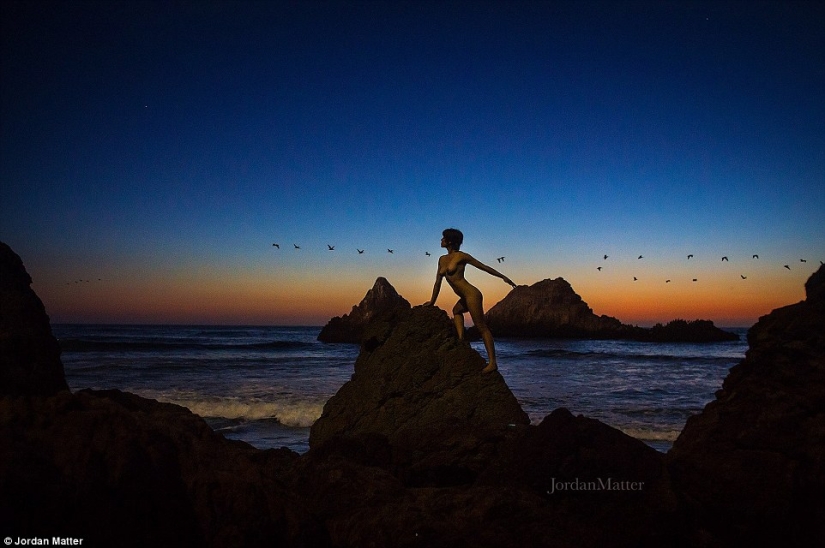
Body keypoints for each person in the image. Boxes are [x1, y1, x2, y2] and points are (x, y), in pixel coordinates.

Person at [425, 228, 516, 373]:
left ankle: (493, 363)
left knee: (481, 327)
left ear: (449, 241)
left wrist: (503, 277)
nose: (440, 240)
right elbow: (437, 283)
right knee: (456, 311)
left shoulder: (462, 256)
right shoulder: (441, 260)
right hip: (464, 297)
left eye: (443, 238)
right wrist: (432, 301)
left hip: (472, 295)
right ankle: (462, 340)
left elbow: (484, 267)